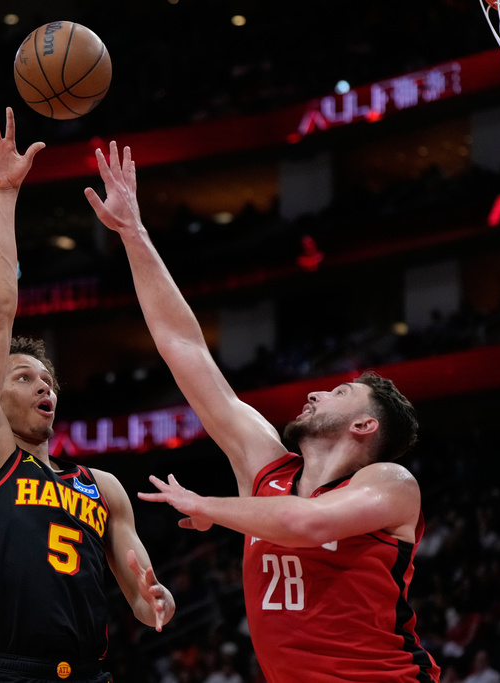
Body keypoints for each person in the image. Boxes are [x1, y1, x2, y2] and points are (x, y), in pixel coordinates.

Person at [85, 141, 441, 682]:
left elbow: (302, 522)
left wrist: (208, 506)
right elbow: (184, 347)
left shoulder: (390, 484)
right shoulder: (265, 469)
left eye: (340, 393)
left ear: (365, 425)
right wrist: (134, 233)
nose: (317, 394)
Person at [0, 108, 175, 683]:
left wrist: (156, 599)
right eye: (24, 377)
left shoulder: (102, 488)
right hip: (6, 670)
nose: (43, 385)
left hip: (90, 673)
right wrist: (4, 194)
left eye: (47, 380)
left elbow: (140, 591)